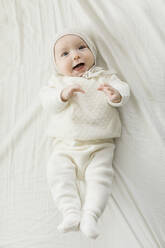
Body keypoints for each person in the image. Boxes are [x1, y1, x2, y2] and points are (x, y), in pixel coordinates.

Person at [39, 29, 130, 239]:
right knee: (57, 172)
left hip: (100, 145)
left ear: (92, 51)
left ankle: (90, 215)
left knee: (101, 178)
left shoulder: (104, 76)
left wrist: (116, 94)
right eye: (65, 54)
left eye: (81, 48)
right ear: (56, 64)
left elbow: (122, 88)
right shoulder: (57, 83)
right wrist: (61, 95)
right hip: (66, 146)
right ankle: (69, 211)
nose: (76, 55)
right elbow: (47, 102)